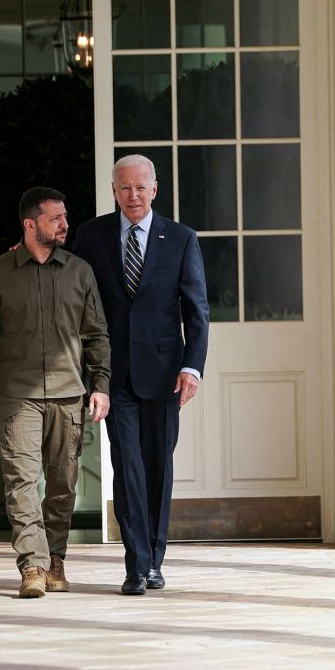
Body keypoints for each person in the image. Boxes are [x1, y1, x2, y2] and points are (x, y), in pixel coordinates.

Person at [0, 187, 111, 599]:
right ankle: (33, 566)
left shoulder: (80, 272)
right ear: (30, 224)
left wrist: (101, 386)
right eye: (55, 218)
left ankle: (55, 557)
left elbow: (96, 334)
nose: (64, 224)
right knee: (22, 482)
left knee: (62, 485)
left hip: (68, 395)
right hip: (18, 395)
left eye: (64, 217)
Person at [72, 154, 210, 595]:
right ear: (113, 190)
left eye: (140, 187)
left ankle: (155, 559)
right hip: (114, 375)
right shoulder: (91, 236)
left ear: (155, 189)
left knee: (157, 468)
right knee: (126, 465)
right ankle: (136, 566)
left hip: (166, 373)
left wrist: (192, 367)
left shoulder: (182, 239)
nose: (132, 195)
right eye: (123, 187)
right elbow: (68, 290)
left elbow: (197, 310)